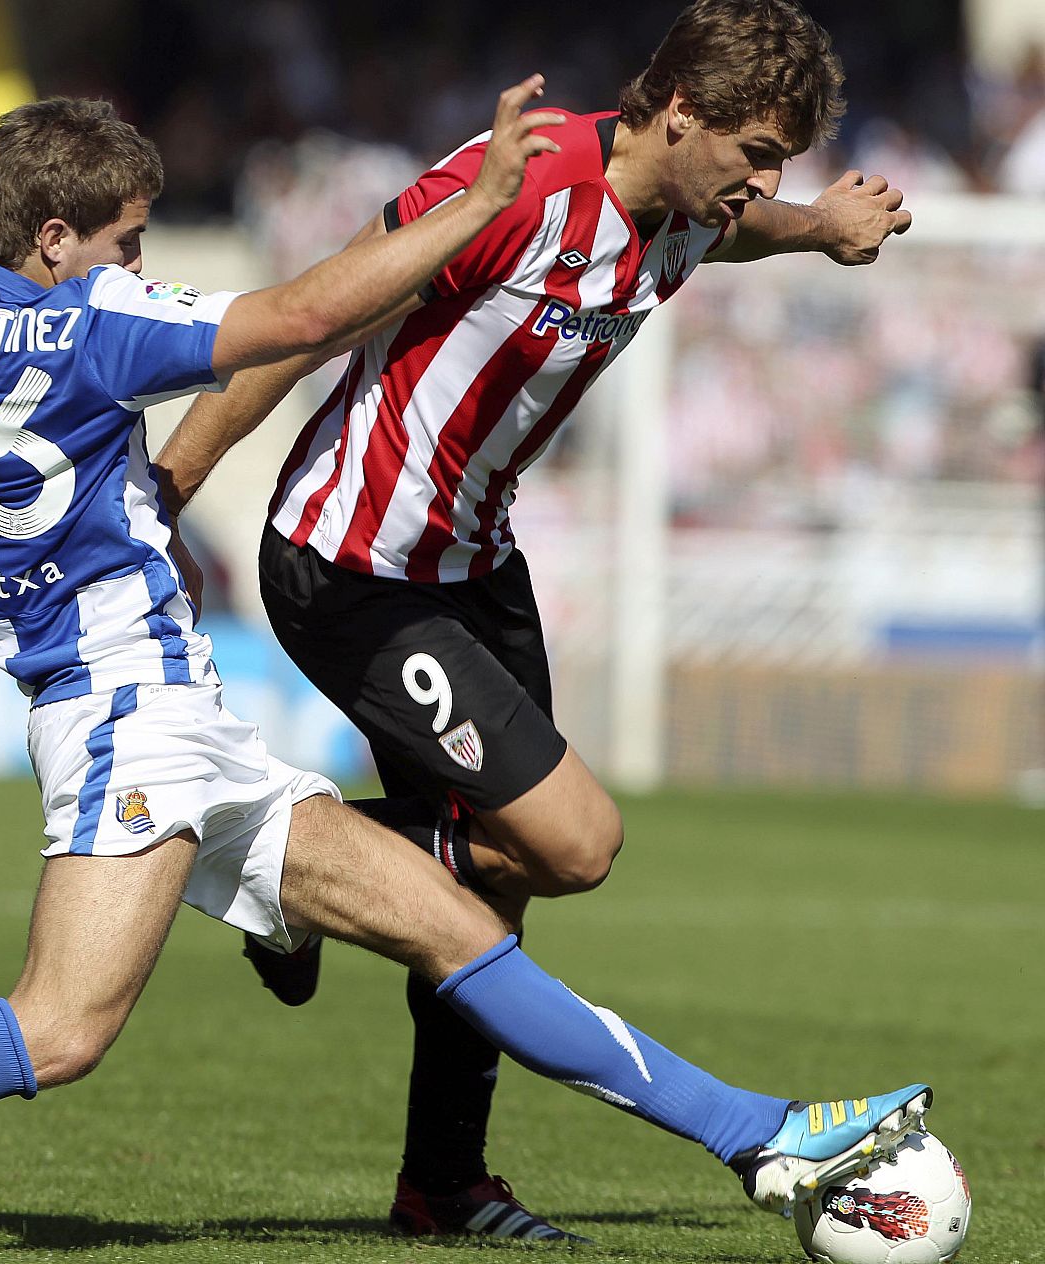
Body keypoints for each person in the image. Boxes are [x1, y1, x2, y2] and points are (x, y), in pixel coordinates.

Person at [0, 25, 930, 1258]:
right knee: (56, 1031)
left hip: (152, 708)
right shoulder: (96, 329)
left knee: (457, 931)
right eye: (124, 238)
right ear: (61, 245)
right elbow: (303, 312)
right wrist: (471, 199)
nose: (138, 258)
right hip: (131, 715)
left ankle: (768, 1144)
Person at [155, 0, 913, 1240]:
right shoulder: (524, 181)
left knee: (500, 884)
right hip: (353, 566)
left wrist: (816, 230)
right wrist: (169, 496)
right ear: (680, 114)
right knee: (570, 843)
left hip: (475, 571)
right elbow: (302, 321)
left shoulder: (686, 206)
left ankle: (438, 1178)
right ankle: (279, 868)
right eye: (757, 155)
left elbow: (733, 234)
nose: (765, 183)